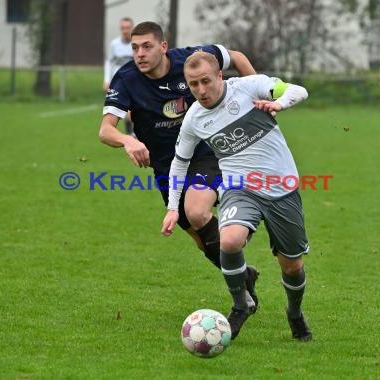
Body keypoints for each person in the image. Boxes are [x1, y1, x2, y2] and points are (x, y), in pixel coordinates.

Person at [98, 22, 260, 310]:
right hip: (165, 166)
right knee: (201, 241)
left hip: (206, 150)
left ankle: (241, 293)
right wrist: (127, 140)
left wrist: (259, 96)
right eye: (135, 48)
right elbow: (105, 130)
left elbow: (235, 57)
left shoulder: (191, 59)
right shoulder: (126, 78)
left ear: (163, 46)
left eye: (147, 46)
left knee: (197, 212)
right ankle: (244, 274)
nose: (140, 54)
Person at [161, 51, 312, 341]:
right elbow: (180, 162)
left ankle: (294, 313)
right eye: (193, 84)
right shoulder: (193, 118)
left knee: (291, 265)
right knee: (229, 240)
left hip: (282, 188)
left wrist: (278, 103)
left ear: (220, 75)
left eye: (206, 81)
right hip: (238, 187)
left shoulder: (249, 86)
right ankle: (242, 304)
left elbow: (299, 90)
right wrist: (172, 208)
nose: (201, 90)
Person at [104, 17, 135, 135]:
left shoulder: (136, 44)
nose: (125, 30)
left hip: (135, 82)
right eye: (123, 28)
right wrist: (107, 80)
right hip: (120, 83)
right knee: (127, 114)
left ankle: (132, 135)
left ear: (132, 28)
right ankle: (131, 135)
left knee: (132, 113)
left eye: (128, 28)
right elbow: (109, 62)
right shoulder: (114, 44)